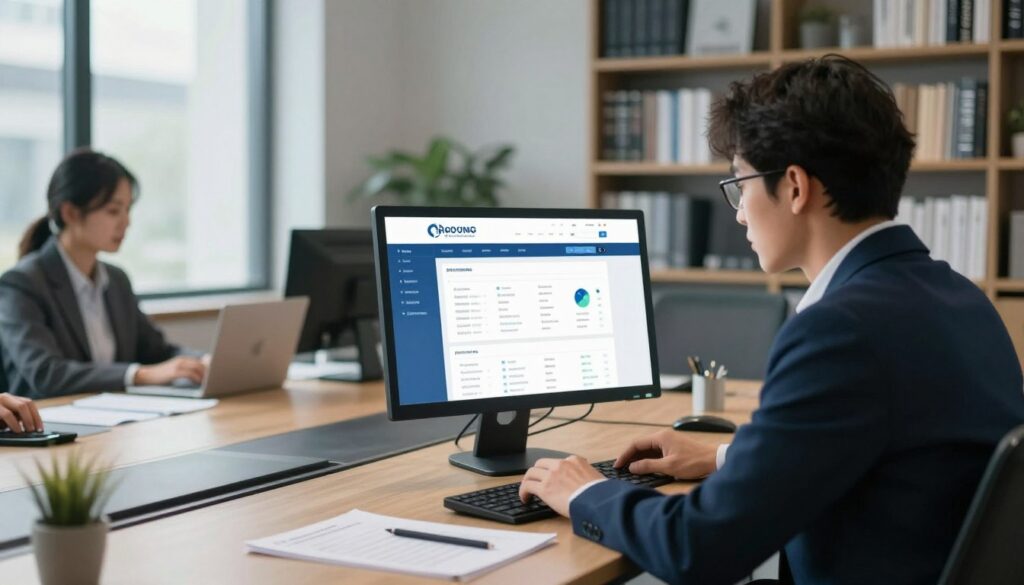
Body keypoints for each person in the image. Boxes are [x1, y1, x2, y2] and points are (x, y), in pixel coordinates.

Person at [518, 55, 1024, 585]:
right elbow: (885, 447)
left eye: (741, 184)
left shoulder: (839, 331)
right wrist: (724, 457)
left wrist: (585, 492)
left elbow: (698, 548)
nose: (739, 212)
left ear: (796, 187)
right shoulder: (961, 299)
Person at [0, 148, 206, 399]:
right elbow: (46, 373)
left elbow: (157, 352)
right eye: (113, 211)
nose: (126, 222)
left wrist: (203, 361)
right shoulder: (22, 283)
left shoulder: (116, 280)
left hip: (117, 415)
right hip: (50, 417)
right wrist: (138, 375)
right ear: (70, 213)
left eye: (128, 209)